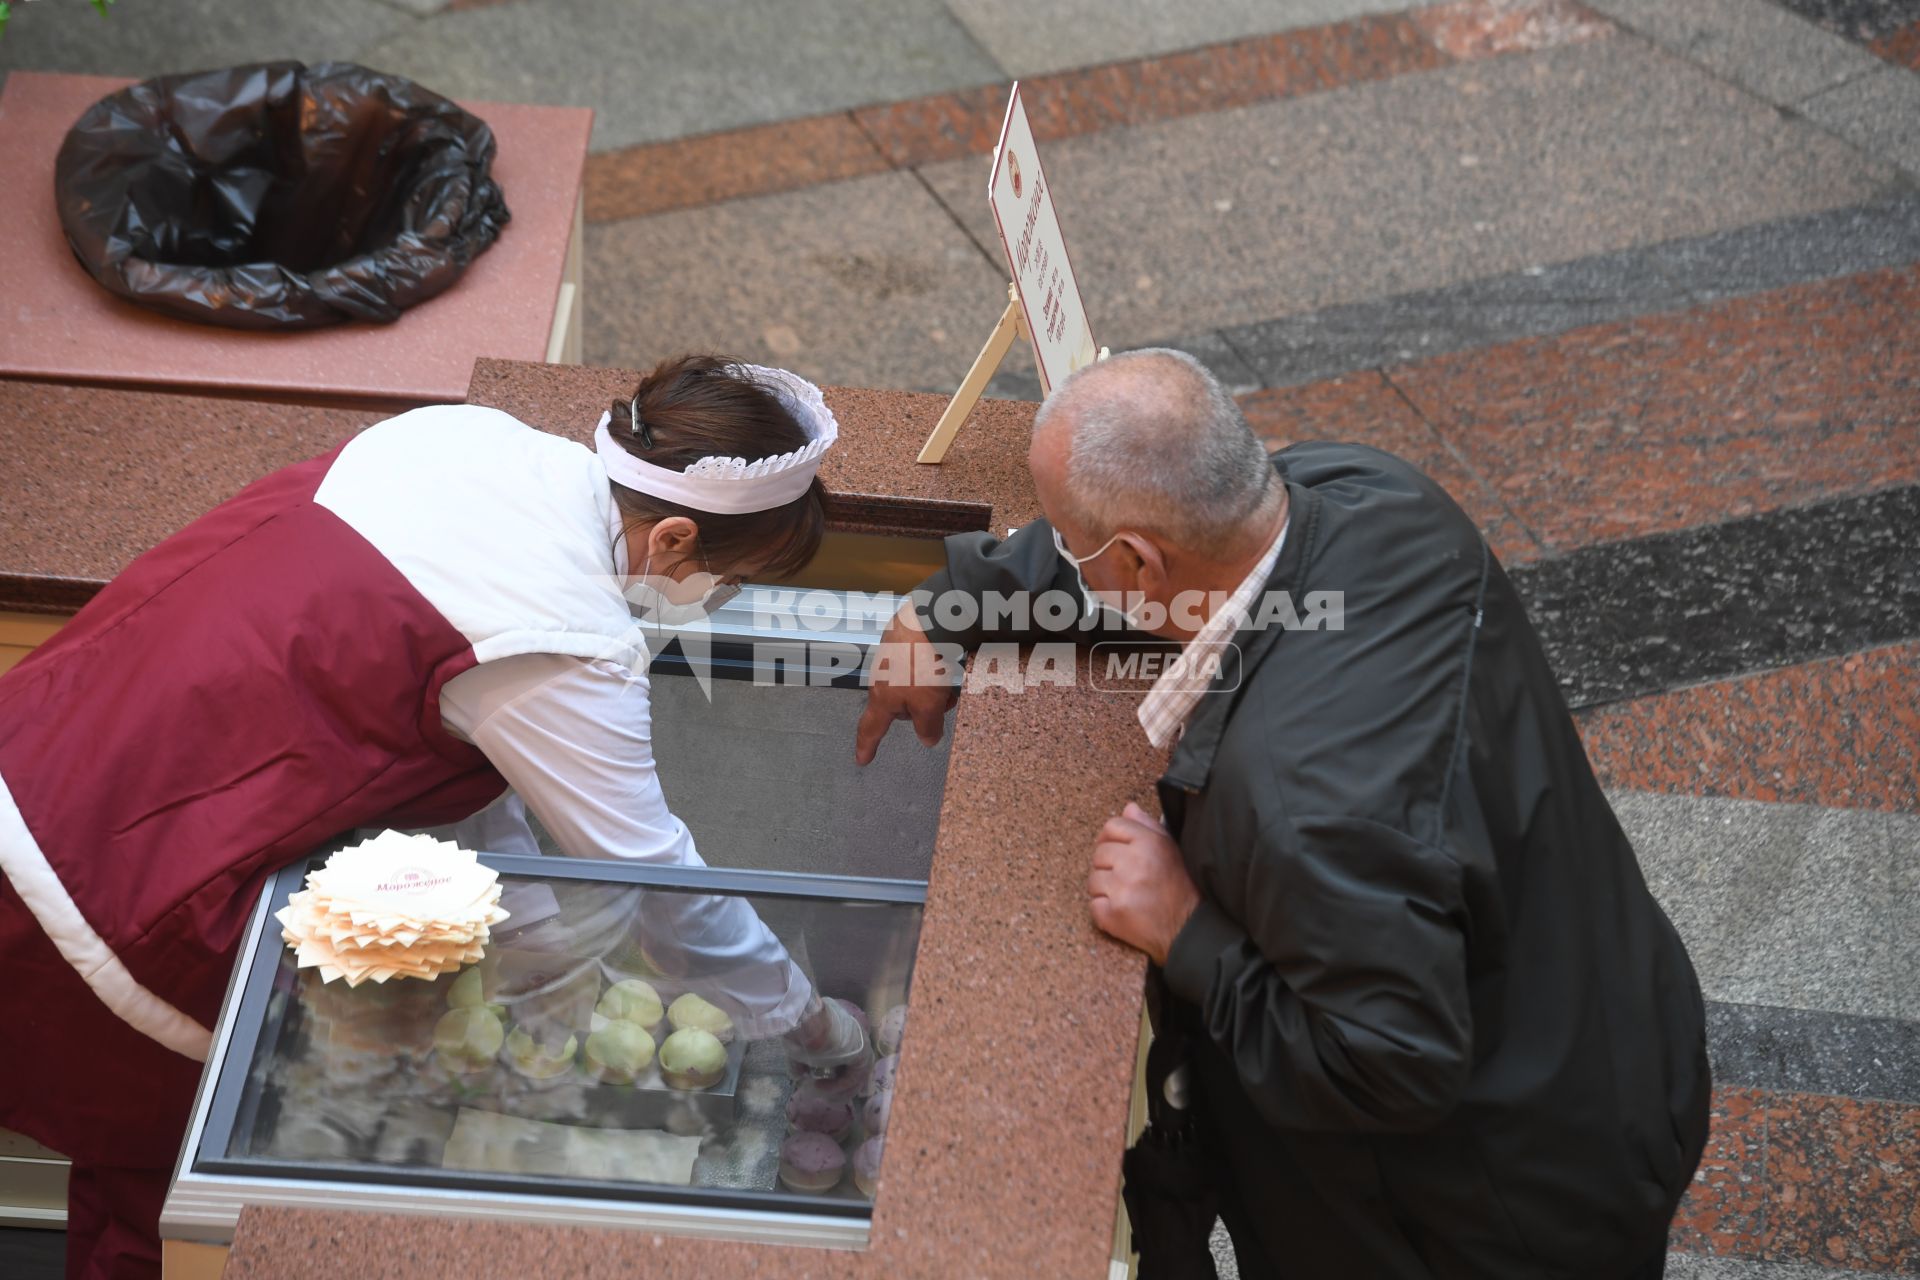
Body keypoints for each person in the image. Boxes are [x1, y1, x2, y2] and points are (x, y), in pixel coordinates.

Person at [0, 354, 868, 1280]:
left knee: (119, 1153)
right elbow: (658, 883)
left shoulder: (462, 440)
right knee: (157, 1201)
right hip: (111, 905)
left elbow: (458, 738)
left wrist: (531, 929)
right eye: (723, 584)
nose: (712, 606)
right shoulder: (575, 640)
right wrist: (809, 1024)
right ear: (676, 543)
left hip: (36, 757)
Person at [856, 349, 1710, 1279]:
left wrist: (1187, 932)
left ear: (1141, 561)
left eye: (1065, 540)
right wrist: (954, 606)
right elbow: (1159, 560)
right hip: (1613, 1039)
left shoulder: (1300, 804)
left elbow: (1391, 1064)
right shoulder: (1372, 492)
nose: (1055, 551)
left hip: (1502, 1211)